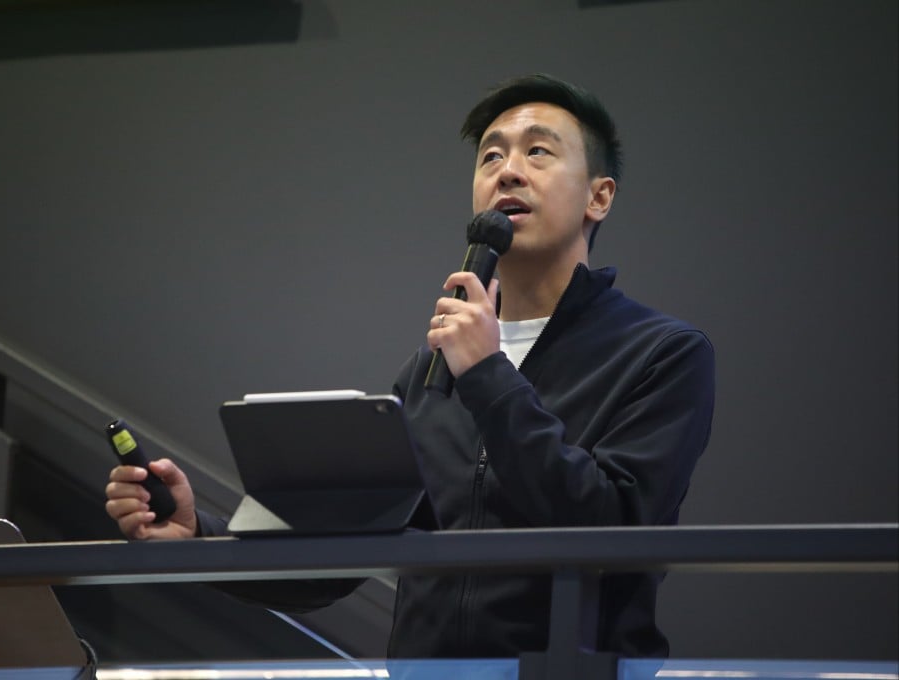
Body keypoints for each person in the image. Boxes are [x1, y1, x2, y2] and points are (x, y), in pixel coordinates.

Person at [105, 73, 716, 659]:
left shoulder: (662, 352)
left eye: (538, 152)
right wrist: (198, 537)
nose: (508, 171)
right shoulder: (432, 368)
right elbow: (341, 556)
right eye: (490, 157)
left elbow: (610, 527)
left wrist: (487, 376)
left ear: (598, 196)